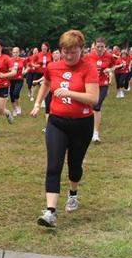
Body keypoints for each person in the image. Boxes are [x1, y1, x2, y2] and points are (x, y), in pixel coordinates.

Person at [30, 30, 100, 227]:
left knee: (74, 165)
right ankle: (50, 212)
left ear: (81, 50)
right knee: (53, 165)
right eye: (65, 52)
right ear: (60, 50)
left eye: (73, 52)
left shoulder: (88, 68)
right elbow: (46, 84)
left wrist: (70, 93)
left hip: (82, 124)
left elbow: (93, 98)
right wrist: (37, 103)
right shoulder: (53, 67)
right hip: (57, 122)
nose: (69, 56)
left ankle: (73, 193)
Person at [86, 38, 115, 143]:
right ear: (94, 46)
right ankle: (87, 129)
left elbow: (113, 66)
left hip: (103, 84)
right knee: (89, 107)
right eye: (97, 47)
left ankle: (96, 133)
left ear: (105, 47)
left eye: (102, 47)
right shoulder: (89, 56)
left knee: (97, 106)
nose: (99, 49)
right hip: (91, 84)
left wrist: (109, 70)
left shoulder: (109, 56)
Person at [9, 46, 27, 116]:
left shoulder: (22, 60)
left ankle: (18, 107)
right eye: (14, 52)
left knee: (16, 93)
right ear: (12, 53)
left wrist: (25, 71)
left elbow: (27, 67)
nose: (15, 54)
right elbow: (6, 68)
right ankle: (14, 109)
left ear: (19, 53)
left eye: (16, 52)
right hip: (11, 79)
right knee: (11, 95)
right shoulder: (9, 60)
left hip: (19, 79)